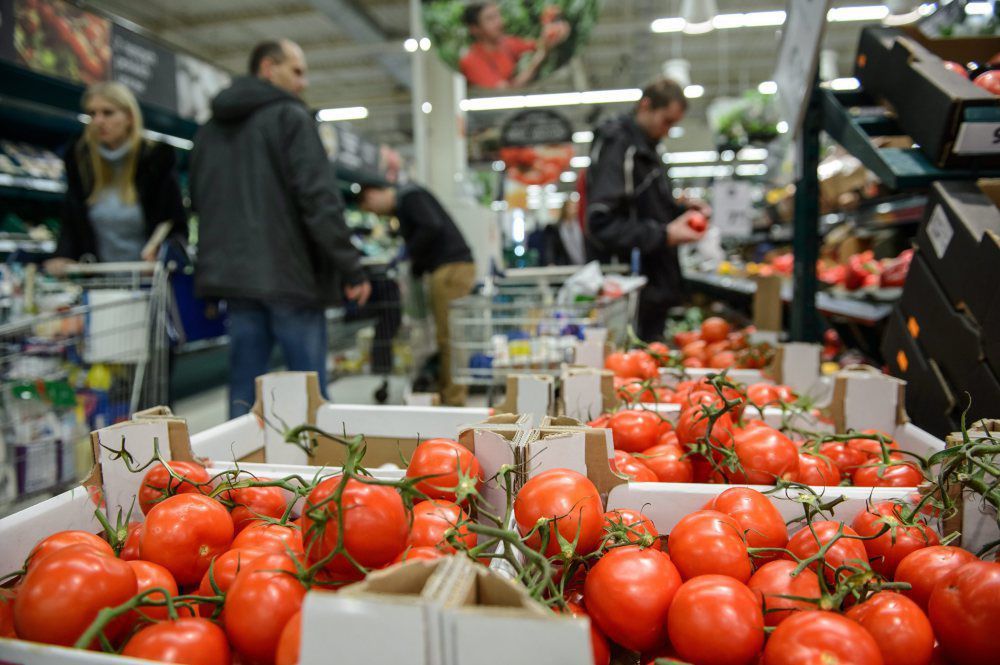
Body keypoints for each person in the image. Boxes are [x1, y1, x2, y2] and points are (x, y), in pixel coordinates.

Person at [190, 39, 371, 417]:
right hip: (291, 277)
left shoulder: (209, 130)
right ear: (268, 69)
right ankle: (320, 471)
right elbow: (319, 199)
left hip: (236, 280)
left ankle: (236, 471)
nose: (304, 83)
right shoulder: (291, 117)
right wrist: (350, 267)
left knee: (243, 391)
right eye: (297, 71)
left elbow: (200, 201)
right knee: (309, 394)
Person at [585, 77, 710, 342]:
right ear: (646, 105)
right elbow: (601, 223)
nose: (667, 130)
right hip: (629, 292)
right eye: (666, 121)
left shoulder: (647, 149)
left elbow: (642, 210)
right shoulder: (620, 146)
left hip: (651, 288)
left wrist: (678, 211)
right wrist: (664, 234)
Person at [45, 82, 187, 275]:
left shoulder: (156, 160)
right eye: (92, 114)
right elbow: (71, 221)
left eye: (108, 113)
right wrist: (62, 255)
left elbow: (175, 224)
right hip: (99, 283)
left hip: (149, 284)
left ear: (129, 117)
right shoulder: (80, 162)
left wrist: (163, 254)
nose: (98, 121)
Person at [357, 182, 475, 406]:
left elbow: (430, 226)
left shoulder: (409, 197)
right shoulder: (408, 199)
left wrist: (408, 253)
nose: (377, 214)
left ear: (372, 195)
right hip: (447, 268)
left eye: (371, 209)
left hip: (451, 269)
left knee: (449, 337)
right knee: (444, 336)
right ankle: (446, 392)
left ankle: (455, 398)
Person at [459, 2, 569, 89]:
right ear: (475, 29)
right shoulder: (471, 61)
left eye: (498, 15)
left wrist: (553, 30)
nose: (500, 22)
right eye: (490, 19)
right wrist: (540, 58)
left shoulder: (506, 43)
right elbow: (506, 94)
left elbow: (539, 45)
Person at [541, 198, 586, 266]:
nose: (575, 209)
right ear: (565, 209)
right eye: (572, 207)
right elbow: (550, 248)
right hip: (566, 265)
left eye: (576, 207)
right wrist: (550, 262)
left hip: (584, 262)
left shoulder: (582, 225)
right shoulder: (555, 228)